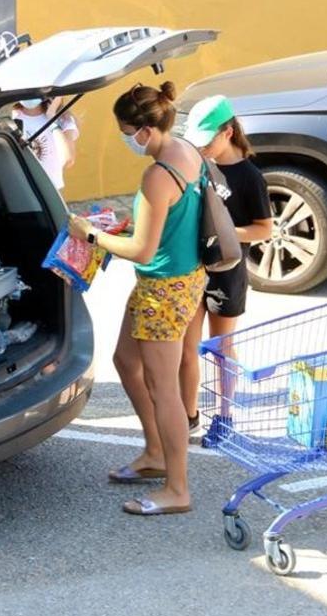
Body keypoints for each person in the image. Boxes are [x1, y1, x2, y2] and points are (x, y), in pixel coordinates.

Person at [67, 82, 205, 516]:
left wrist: (91, 235)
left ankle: (177, 488)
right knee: (127, 360)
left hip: (163, 288)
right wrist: (126, 227)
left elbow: (142, 251)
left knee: (164, 388)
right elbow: (164, 228)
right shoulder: (185, 151)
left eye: (126, 130)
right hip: (178, 281)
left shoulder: (156, 175)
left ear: (143, 130)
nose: (125, 138)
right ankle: (154, 453)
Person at [179, 95, 274, 444]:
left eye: (207, 139)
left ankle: (225, 416)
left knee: (221, 347)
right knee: (187, 348)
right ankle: (188, 416)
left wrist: (225, 233)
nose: (201, 146)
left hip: (228, 271)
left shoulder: (250, 176)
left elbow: (265, 228)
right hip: (193, 268)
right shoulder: (198, 165)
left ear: (228, 132)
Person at [13, 96, 79, 192]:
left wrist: (52, 119)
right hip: (22, 189)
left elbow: (68, 160)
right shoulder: (11, 118)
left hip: (50, 191)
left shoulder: (63, 119)